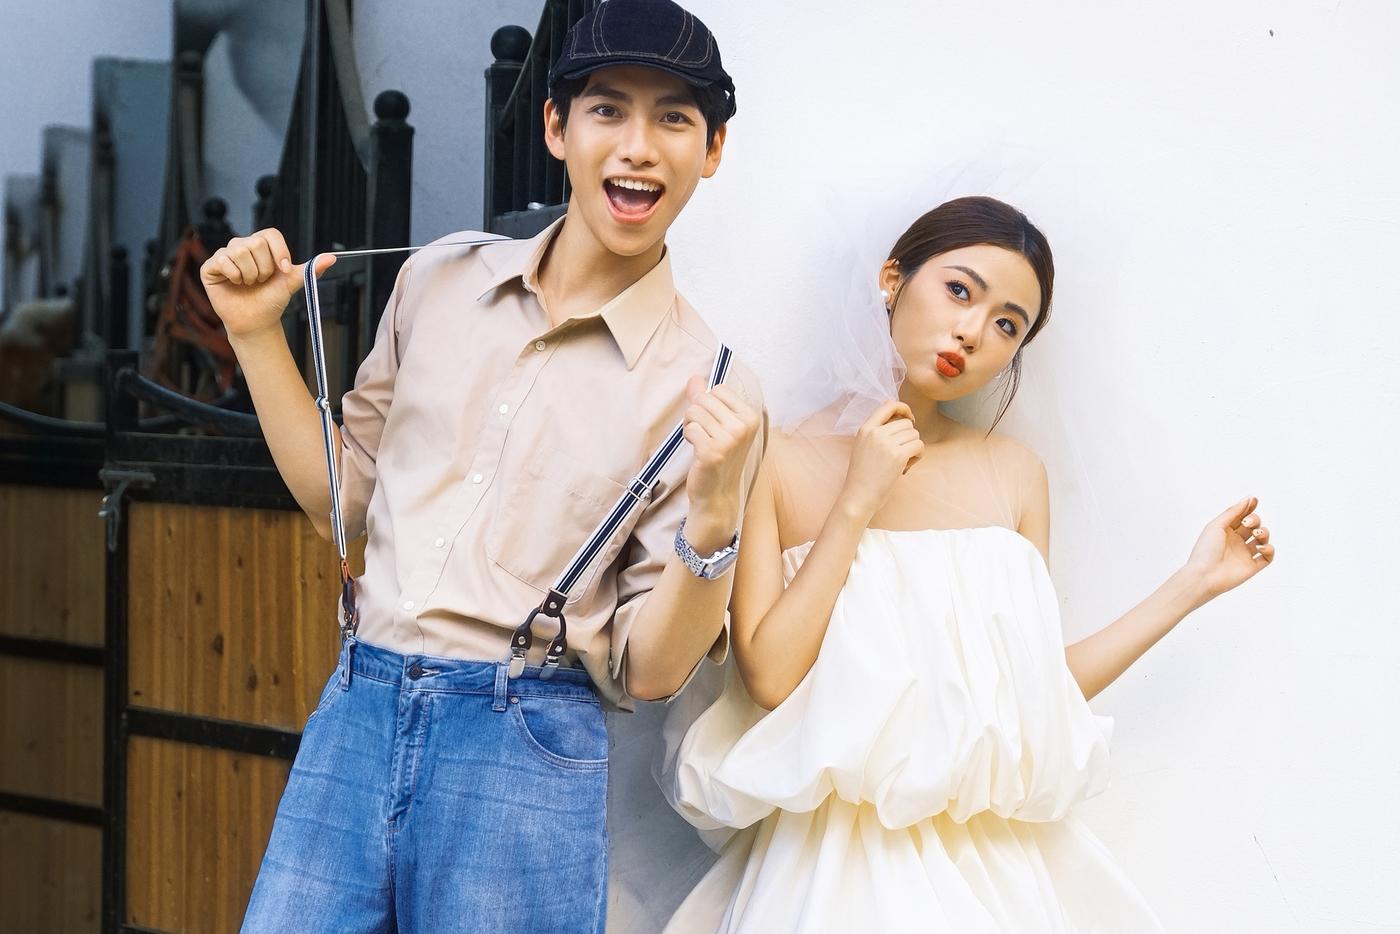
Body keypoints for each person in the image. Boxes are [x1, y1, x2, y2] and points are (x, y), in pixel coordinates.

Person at [200, 2, 766, 931]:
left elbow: (653, 671)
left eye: (674, 118)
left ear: (712, 150)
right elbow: (346, 505)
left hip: (520, 750)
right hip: (357, 709)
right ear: (555, 126)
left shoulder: (710, 387)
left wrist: (714, 515)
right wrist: (258, 338)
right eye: (608, 110)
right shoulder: (437, 279)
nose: (638, 146)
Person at [658, 196, 1274, 932]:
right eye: (959, 290)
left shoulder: (1015, 475)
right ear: (892, 279)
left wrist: (1192, 584)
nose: (973, 332)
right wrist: (857, 500)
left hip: (995, 873)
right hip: (839, 868)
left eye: (1008, 324)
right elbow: (769, 678)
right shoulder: (780, 459)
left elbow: (1032, 694)